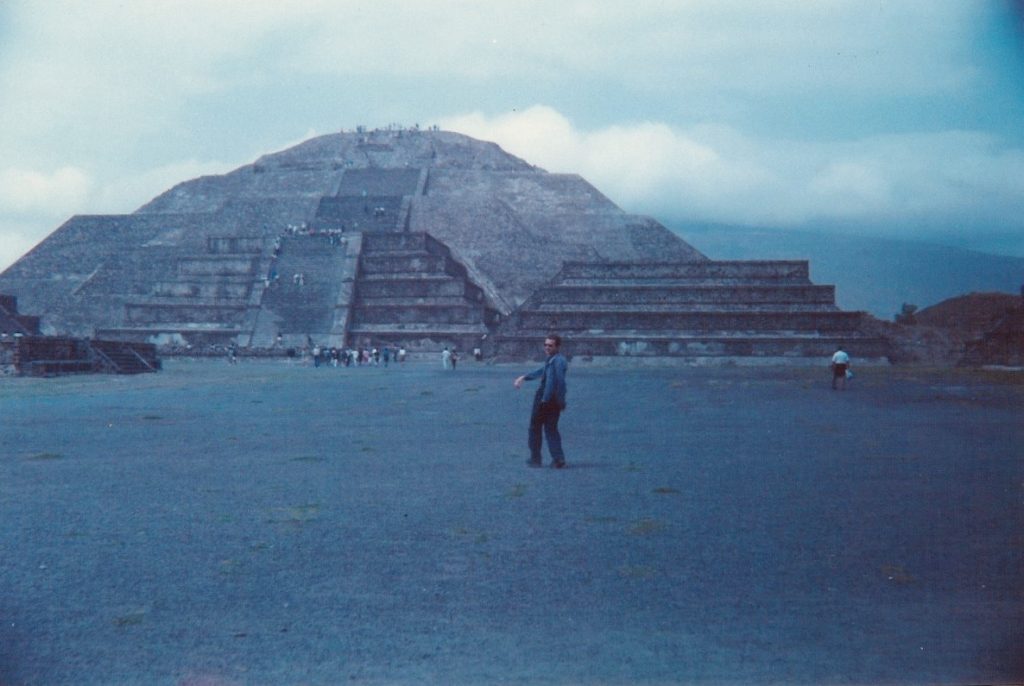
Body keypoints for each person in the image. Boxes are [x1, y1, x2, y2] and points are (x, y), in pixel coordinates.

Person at [514, 334, 568, 469]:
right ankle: (558, 458)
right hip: (554, 400)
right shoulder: (555, 360)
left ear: (557, 346)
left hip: (546, 398)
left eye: (550, 345)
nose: (547, 347)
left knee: (534, 428)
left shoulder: (557, 361)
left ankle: (535, 458)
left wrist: (546, 399)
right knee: (551, 429)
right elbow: (542, 371)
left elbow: (558, 383)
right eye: (546, 345)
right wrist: (525, 377)